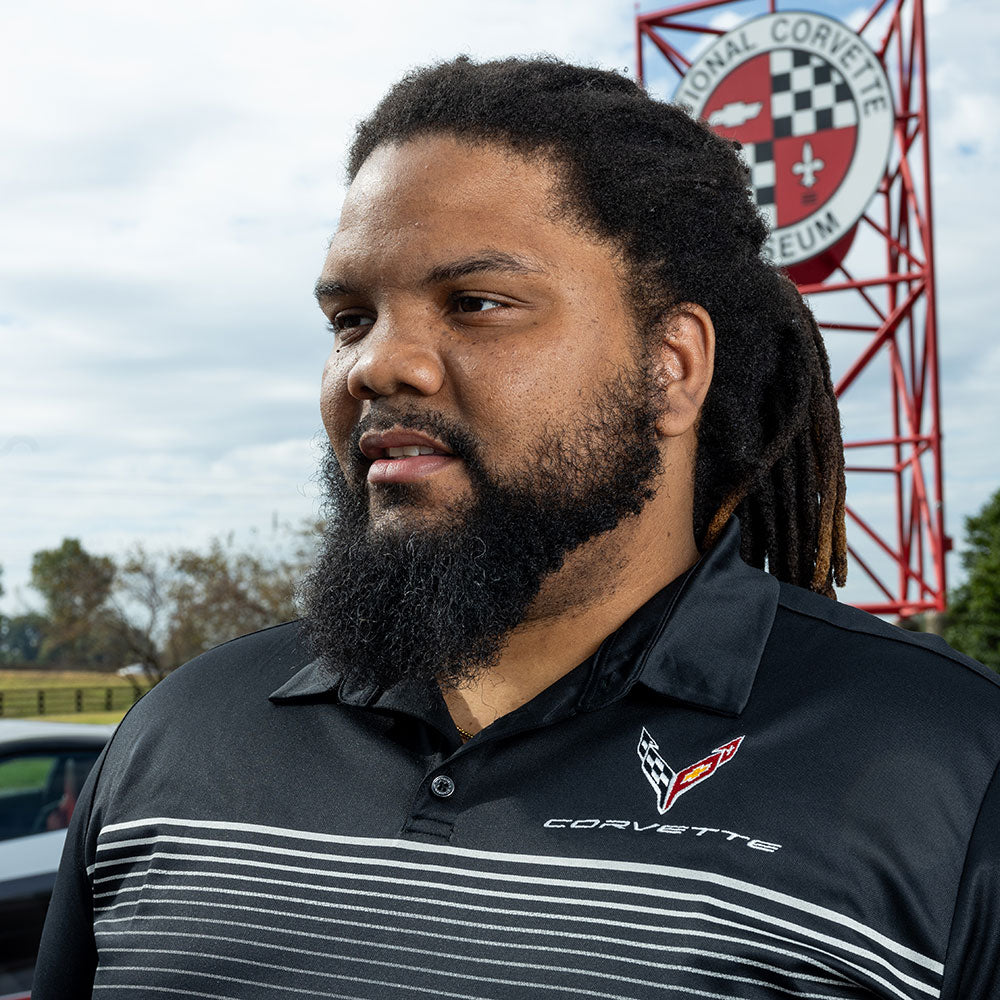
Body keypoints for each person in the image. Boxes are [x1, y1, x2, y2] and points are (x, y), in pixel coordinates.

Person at [34, 56, 999, 1000]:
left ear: (671, 366)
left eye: (477, 304)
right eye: (349, 317)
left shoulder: (952, 767)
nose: (380, 364)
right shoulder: (179, 735)